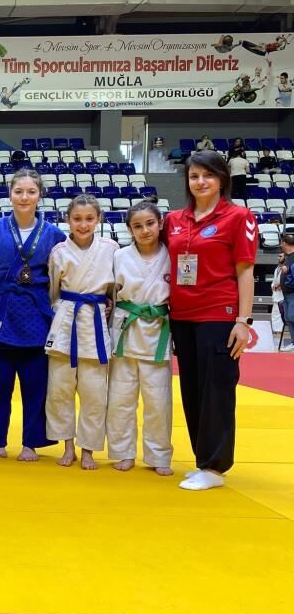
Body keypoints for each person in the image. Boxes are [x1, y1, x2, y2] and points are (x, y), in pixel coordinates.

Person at [164, 150, 257, 491]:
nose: (200, 182)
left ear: (222, 179)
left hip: (220, 315)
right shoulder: (174, 220)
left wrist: (244, 321)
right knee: (192, 389)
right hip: (182, 316)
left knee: (217, 390)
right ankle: (202, 459)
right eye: (194, 176)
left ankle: (215, 468)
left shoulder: (239, 217)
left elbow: (245, 272)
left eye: (208, 175)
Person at [0, 169, 65, 461]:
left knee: (36, 383)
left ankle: (31, 443)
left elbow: (61, 276)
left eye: (31, 192)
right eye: (19, 191)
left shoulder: (54, 234)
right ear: (10, 194)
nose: (24, 197)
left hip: (37, 312)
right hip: (1, 308)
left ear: (40, 195)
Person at [45, 194, 117, 469]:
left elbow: (115, 290)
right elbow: (53, 291)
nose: (83, 224)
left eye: (89, 219)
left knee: (95, 393)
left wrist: (108, 306)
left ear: (98, 219)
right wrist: (60, 312)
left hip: (95, 322)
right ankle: (67, 446)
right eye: (77, 219)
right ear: (68, 220)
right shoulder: (59, 252)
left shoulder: (111, 249)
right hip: (65, 321)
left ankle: (88, 449)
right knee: (60, 390)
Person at [107, 197, 174, 475]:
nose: (145, 230)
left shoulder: (172, 255)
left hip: (158, 330)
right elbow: (110, 293)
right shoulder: (119, 256)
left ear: (160, 224)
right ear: (129, 230)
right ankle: (123, 452)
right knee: (120, 398)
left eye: (150, 223)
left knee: (159, 400)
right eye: (137, 226)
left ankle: (159, 455)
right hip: (126, 328)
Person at [274, 233, 294, 351]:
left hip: (292, 293)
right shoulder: (287, 257)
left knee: (292, 316)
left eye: (282, 243)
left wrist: (288, 270)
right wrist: (280, 284)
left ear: (285, 243)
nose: (281, 245)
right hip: (286, 293)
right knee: (288, 318)